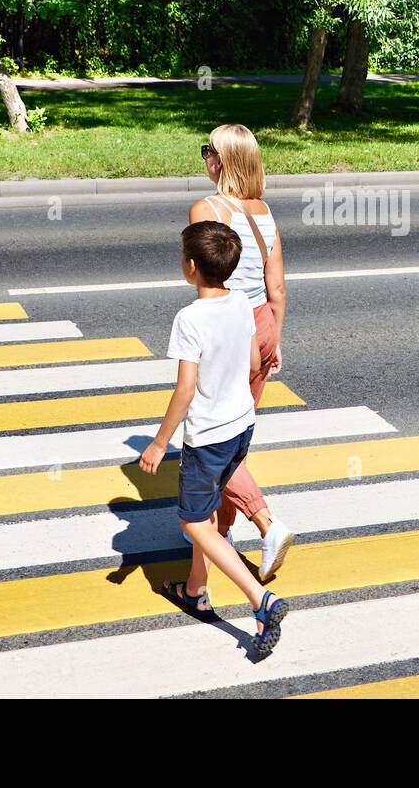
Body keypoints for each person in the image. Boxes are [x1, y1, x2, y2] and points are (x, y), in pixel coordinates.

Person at [139, 221, 289, 656]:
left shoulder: (189, 318)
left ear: (189, 267)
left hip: (208, 438)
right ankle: (196, 589)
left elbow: (185, 389)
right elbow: (249, 361)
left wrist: (158, 442)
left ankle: (261, 601)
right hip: (242, 425)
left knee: (191, 522)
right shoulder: (242, 302)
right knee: (205, 517)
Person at [188, 123, 294, 579]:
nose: (204, 158)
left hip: (231, 330)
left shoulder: (206, 208)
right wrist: (275, 343)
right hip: (263, 327)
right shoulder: (265, 212)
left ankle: (267, 524)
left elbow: (210, 282)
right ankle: (224, 532)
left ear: (224, 161)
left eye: (208, 151)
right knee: (237, 434)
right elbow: (278, 288)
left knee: (218, 441)